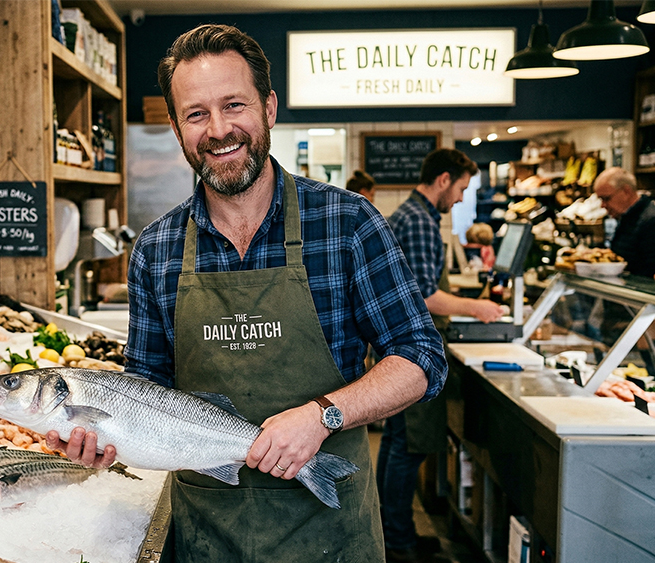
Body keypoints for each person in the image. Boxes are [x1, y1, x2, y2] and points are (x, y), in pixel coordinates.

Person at [48, 24, 447, 563]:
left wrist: (323, 415)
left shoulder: (348, 222)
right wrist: (102, 441)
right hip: (209, 532)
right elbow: (145, 393)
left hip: (330, 535)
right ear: (176, 127)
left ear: (269, 108)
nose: (218, 130)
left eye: (234, 105)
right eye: (196, 114)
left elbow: (421, 357)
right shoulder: (156, 250)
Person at [379, 149, 506, 563]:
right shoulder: (417, 222)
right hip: (407, 354)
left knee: (399, 443)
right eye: (462, 188)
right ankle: (398, 542)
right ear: (444, 179)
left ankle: (391, 532)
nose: (460, 198)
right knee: (408, 447)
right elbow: (423, 295)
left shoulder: (418, 216)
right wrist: (478, 308)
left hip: (394, 350)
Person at [592, 167, 655, 278]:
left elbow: (648, 271)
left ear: (626, 191)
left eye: (606, 198)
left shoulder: (650, 220)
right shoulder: (626, 217)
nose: (602, 205)